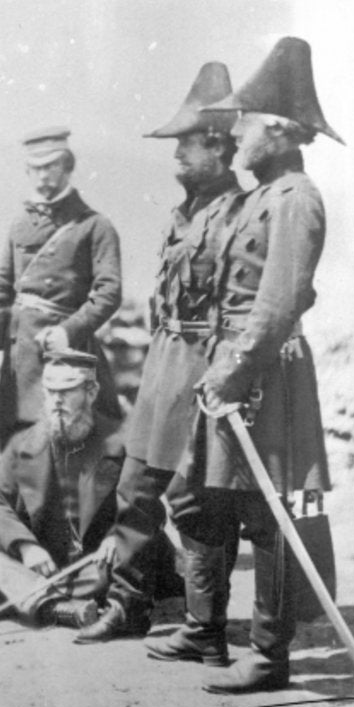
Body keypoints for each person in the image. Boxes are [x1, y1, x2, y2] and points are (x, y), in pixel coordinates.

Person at [154, 37, 342, 694]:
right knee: (199, 497)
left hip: (267, 374)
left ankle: (269, 655)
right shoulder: (256, 195)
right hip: (233, 369)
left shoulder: (294, 197)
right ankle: (204, 629)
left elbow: (282, 299)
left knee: (269, 516)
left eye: (248, 122)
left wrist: (232, 370)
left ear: (282, 130)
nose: (235, 132)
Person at [75, 63, 243, 644]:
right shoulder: (185, 213)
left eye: (186, 147)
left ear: (218, 147)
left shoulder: (237, 214)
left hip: (201, 369)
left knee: (194, 499)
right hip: (163, 363)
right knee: (134, 488)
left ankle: (206, 628)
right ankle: (129, 605)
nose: (176, 158)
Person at [0, 127, 122, 451]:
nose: (43, 175)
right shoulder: (19, 224)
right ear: (27, 171)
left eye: (51, 166)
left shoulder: (95, 226)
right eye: (35, 168)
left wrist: (68, 331)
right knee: (17, 449)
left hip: (69, 354)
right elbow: (0, 292)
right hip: (20, 359)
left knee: (72, 446)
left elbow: (109, 292)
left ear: (67, 166)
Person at [0, 351, 125, 629]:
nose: (56, 400)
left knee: (129, 557)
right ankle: (55, 607)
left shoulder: (120, 441)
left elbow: (144, 503)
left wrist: (118, 534)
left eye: (67, 391)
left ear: (92, 391)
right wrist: (26, 546)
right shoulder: (24, 443)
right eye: (50, 391)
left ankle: (22, 596)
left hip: (93, 561)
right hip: (40, 559)